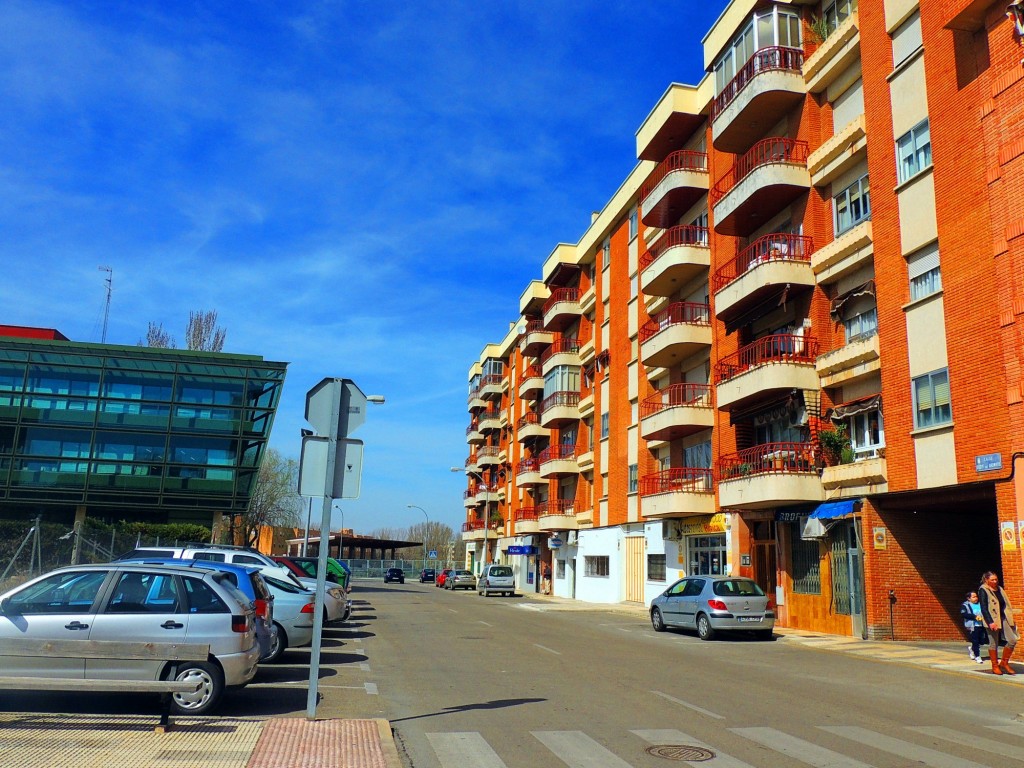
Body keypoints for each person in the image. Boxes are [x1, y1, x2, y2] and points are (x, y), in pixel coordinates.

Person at [978, 571, 1019, 675]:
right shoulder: (983, 590)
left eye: (996, 579)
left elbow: (1005, 604)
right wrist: (990, 622)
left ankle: (1004, 663)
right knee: (993, 643)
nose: (995, 581)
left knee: (1012, 639)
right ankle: (995, 666)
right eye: (992, 580)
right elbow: (983, 608)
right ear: (986, 580)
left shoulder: (1000, 589)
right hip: (992, 619)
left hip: (1004, 617)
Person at [959, 591, 986, 664]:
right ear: (968, 598)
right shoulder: (965, 605)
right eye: (973, 597)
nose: (976, 598)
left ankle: (972, 649)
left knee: (982, 641)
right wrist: (974, 617)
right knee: (975, 641)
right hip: (972, 626)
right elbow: (964, 614)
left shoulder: (980, 604)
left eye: (976, 596)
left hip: (982, 624)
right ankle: (977, 656)